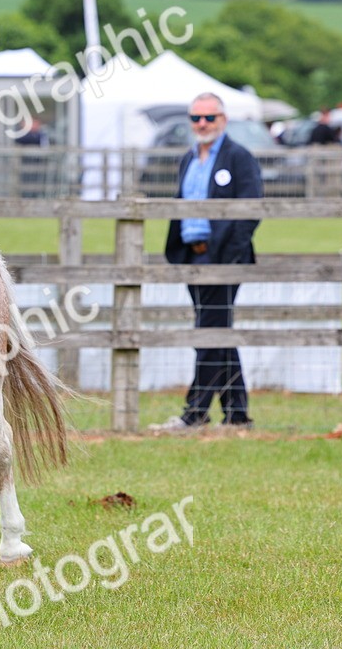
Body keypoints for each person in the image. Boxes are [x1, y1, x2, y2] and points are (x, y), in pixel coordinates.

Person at [153, 93, 262, 431]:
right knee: (217, 331)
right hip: (193, 256)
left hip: (224, 258)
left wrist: (227, 255)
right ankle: (237, 414)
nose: (202, 124)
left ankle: (195, 412)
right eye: (196, 118)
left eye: (209, 117)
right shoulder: (189, 158)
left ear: (222, 120)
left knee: (209, 333)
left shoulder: (238, 157)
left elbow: (250, 210)